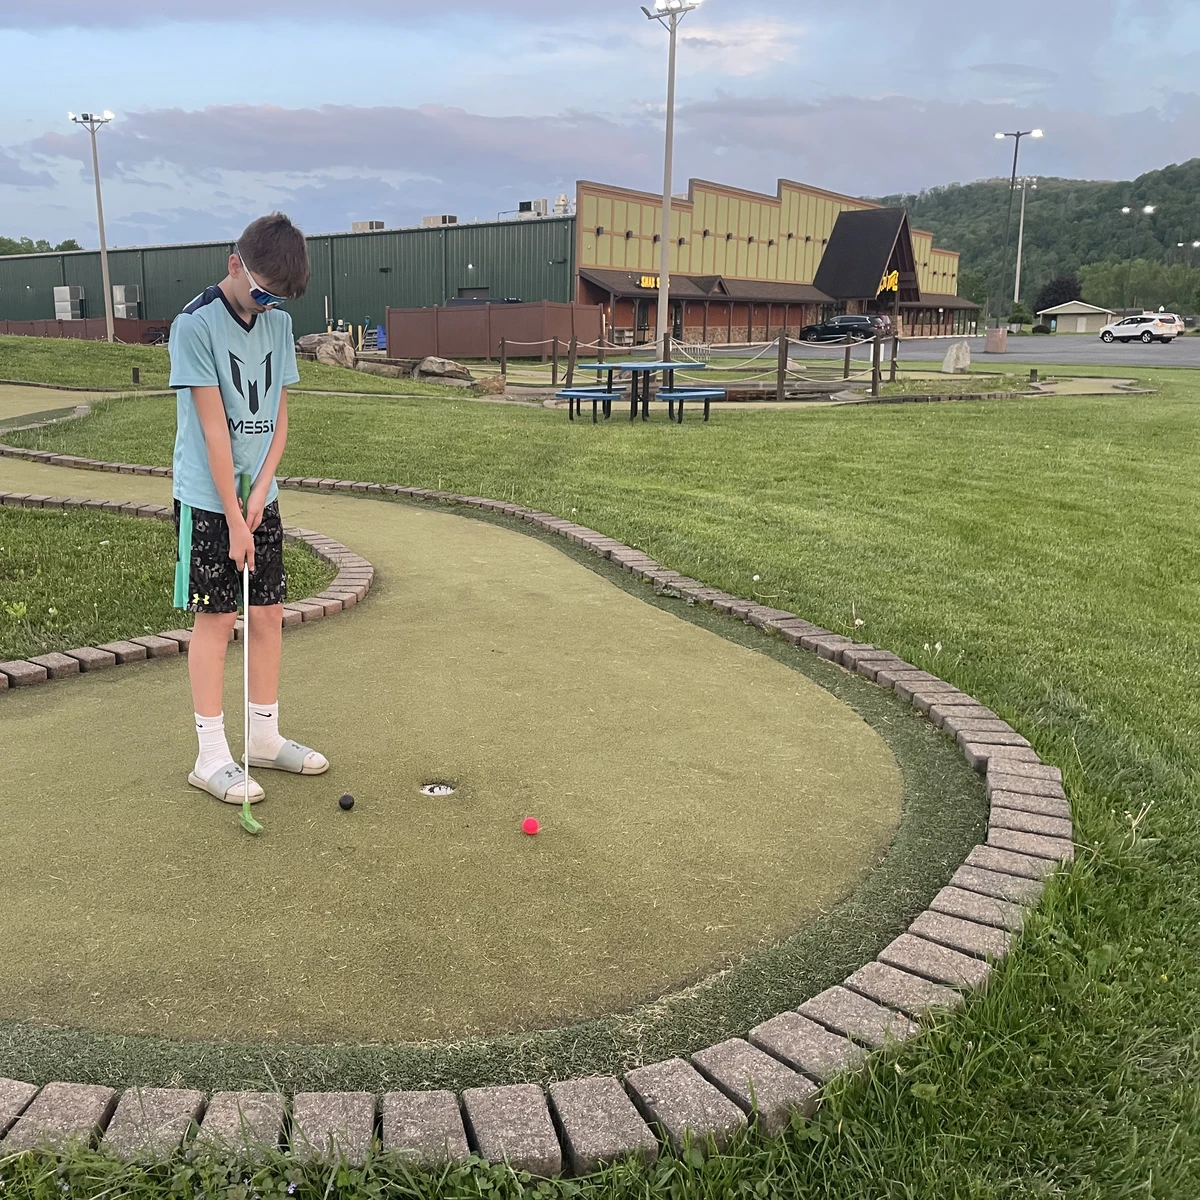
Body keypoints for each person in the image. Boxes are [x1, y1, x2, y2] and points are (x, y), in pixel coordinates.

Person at [168, 212, 328, 804]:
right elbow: (214, 432)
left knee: (266, 613)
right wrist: (234, 517)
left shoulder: (278, 324)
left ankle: (264, 739)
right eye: (261, 292)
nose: (266, 305)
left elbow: (280, 420)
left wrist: (260, 494)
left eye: (278, 299)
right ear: (235, 263)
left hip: (261, 496)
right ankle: (211, 757)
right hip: (209, 500)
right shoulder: (195, 325)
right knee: (215, 620)